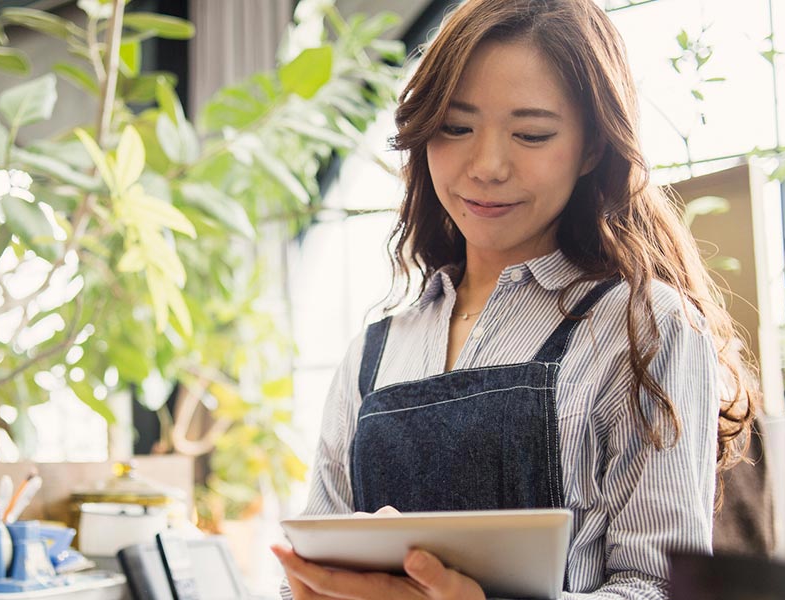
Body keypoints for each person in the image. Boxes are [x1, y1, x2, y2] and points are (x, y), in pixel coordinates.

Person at [271, 0, 759, 598]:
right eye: (455, 127)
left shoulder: (645, 327)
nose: (487, 166)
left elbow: (657, 588)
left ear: (591, 149)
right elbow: (317, 564)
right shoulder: (372, 354)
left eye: (531, 134)